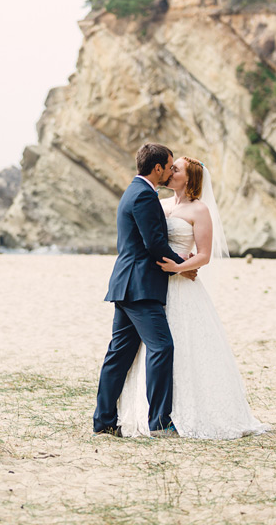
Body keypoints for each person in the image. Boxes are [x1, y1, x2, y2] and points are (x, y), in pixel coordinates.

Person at [116, 156, 268, 439]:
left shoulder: (200, 210)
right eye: (171, 168)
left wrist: (180, 267)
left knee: (184, 348)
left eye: (177, 169)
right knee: (156, 350)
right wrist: (173, 265)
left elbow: (204, 254)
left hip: (183, 289)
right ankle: (153, 413)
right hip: (155, 287)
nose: (170, 172)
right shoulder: (158, 205)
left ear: (189, 178)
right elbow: (149, 242)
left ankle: (182, 413)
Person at [93, 143, 194, 438]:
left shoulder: (133, 192)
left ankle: (104, 422)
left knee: (119, 356)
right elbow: (155, 245)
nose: (170, 171)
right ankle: (160, 422)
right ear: (158, 167)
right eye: (169, 166)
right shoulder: (145, 196)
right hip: (140, 287)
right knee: (162, 347)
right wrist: (182, 266)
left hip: (126, 284)